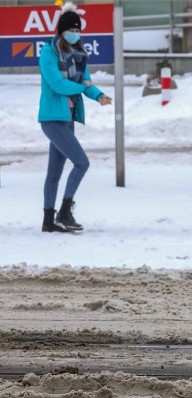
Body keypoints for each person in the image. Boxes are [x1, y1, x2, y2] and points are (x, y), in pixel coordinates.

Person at [38, 5, 111, 233]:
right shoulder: (48, 53)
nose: (76, 34)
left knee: (54, 173)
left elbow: (87, 85)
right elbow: (57, 84)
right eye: (71, 29)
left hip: (67, 118)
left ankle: (49, 220)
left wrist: (98, 96)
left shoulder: (79, 57)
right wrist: (81, 87)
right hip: (52, 119)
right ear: (61, 31)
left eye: (78, 30)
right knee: (82, 163)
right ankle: (65, 212)